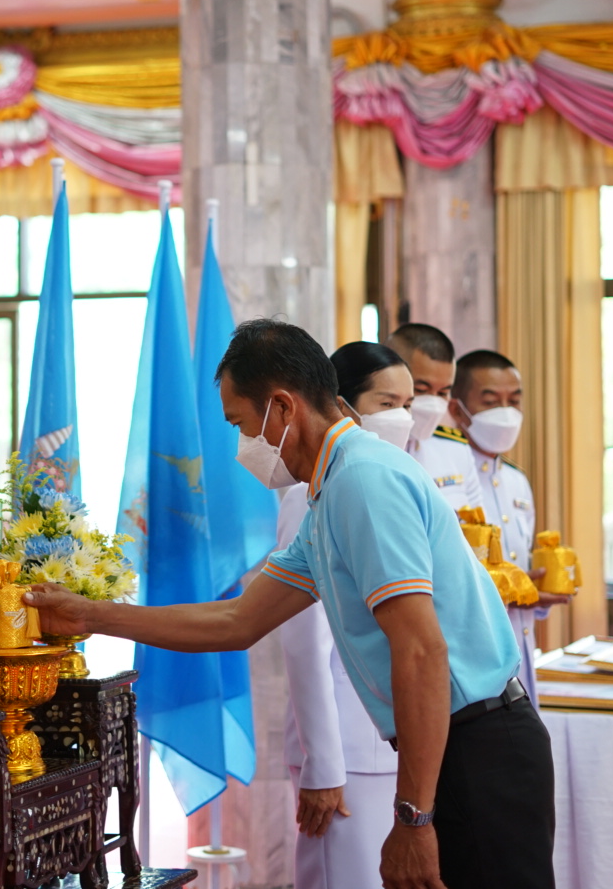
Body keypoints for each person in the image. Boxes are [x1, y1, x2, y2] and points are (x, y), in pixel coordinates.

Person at [28, 319, 556, 889]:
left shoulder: (363, 481)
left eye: (241, 423)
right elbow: (238, 619)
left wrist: (413, 818)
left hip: (479, 748)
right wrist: (91, 615)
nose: (241, 445)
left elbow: (423, 651)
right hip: (459, 744)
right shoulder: (329, 492)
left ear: (281, 408)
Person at [275, 342, 409, 887]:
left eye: (410, 400)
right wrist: (322, 762)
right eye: (387, 401)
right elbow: (304, 637)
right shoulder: (308, 492)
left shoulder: (390, 476)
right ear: (344, 405)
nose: (404, 416)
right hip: (344, 747)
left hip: (394, 737)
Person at [452, 349, 571, 705]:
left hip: (520, 645)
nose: (505, 412)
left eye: (513, 400)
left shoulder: (517, 481)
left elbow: (517, 574)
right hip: (472, 660)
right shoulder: (449, 480)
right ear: (458, 409)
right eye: (491, 401)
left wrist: (536, 591)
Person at [386, 324, 484, 514]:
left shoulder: (456, 451)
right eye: (421, 389)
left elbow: (479, 531)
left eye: (443, 392)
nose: (433, 402)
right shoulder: (364, 447)